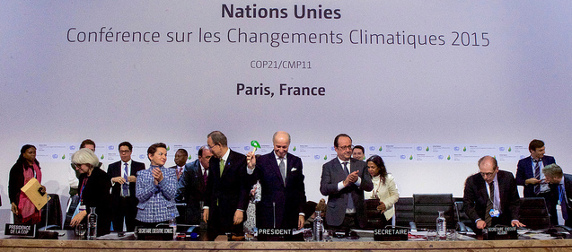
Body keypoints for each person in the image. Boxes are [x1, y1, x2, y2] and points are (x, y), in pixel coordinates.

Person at [246, 131, 307, 232]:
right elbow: (251, 181)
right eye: (278, 146)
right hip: (269, 216)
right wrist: (251, 168)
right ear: (273, 144)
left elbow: (300, 189)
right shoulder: (262, 161)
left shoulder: (296, 161)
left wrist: (301, 213)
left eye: (285, 147)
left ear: (289, 145)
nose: (281, 150)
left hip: (291, 215)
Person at [320, 134, 373, 231]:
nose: (348, 150)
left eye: (349, 146)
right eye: (344, 147)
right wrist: (343, 183)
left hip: (358, 218)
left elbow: (369, 186)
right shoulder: (328, 167)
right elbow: (324, 189)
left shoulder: (361, 165)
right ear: (336, 148)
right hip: (336, 218)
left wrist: (357, 180)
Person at [203, 131, 248, 240]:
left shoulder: (240, 160)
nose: (210, 150)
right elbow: (210, 186)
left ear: (219, 145)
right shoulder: (213, 161)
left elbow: (244, 188)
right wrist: (206, 206)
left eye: (211, 147)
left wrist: (240, 209)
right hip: (215, 215)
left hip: (233, 214)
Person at [463, 156, 525, 232]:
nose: (485, 177)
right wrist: (477, 219)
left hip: (504, 221)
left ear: (496, 169)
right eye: (482, 174)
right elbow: (467, 204)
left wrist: (514, 218)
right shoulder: (472, 181)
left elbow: (514, 201)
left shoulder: (507, 177)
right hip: (482, 222)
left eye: (489, 174)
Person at [69, 148, 112, 237]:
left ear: (88, 163)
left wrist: (86, 211)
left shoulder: (102, 176)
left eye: (79, 165)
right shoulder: (82, 177)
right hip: (85, 218)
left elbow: (103, 201)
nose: (77, 168)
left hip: (99, 219)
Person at [135, 143, 179, 227]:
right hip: (145, 217)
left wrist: (161, 180)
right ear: (150, 156)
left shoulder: (171, 173)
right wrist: (153, 185)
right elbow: (140, 196)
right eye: (160, 154)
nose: (164, 157)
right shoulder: (141, 174)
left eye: (165, 155)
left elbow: (171, 194)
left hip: (167, 216)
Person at [515, 139, 557, 224]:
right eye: (540, 150)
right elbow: (517, 180)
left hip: (548, 196)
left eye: (544, 149)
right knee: (532, 222)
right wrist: (528, 181)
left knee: (551, 221)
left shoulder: (550, 160)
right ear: (532, 151)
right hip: (531, 197)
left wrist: (551, 179)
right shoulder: (523, 163)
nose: (543, 152)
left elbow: (557, 176)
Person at [107, 141, 145, 232]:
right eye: (121, 151)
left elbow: (145, 182)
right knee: (117, 227)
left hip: (132, 201)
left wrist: (136, 179)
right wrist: (113, 180)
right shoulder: (112, 166)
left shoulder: (139, 166)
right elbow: (106, 182)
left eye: (126, 151)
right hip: (117, 200)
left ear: (131, 152)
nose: (123, 154)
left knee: (133, 227)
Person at [9, 145, 46, 225]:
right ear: (23, 154)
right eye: (30, 153)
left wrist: (41, 187)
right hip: (21, 200)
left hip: (35, 199)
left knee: (34, 227)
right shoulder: (17, 167)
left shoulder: (36, 167)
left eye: (34, 153)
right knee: (22, 226)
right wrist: (12, 202)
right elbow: (11, 186)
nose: (33, 154)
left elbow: (35, 183)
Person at [176, 146, 212, 225]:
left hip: (211, 208)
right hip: (193, 208)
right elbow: (181, 188)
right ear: (200, 158)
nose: (211, 160)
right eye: (208, 157)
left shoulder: (216, 167)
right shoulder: (190, 168)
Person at [363, 155, 399, 228]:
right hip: (368, 215)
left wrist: (385, 204)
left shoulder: (388, 178)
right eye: (368, 167)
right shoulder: (364, 179)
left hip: (384, 215)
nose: (370, 169)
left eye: (373, 167)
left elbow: (395, 195)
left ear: (379, 167)